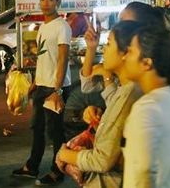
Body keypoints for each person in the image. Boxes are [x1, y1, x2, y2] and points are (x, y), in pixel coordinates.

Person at [56, 21, 144, 188]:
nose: (103, 50)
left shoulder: (130, 93)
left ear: (127, 52)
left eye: (108, 44)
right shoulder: (127, 89)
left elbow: (102, 160)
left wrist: (64, 155)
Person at [122, 25, 170, 188]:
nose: (124, 57)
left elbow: (143, 174)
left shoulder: (147, 109)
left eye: (130, 51)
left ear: (146, 63)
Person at [13, 0, 72, 186]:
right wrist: (35, 82)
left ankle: (58, 171)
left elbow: (63, 59)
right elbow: (43, 58)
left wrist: (57, 90)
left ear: (58, 2)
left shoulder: (62, 26)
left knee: (56, 132)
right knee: (37, 128)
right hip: (41, 86)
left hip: (55, 87)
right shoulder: (43, 27)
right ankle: (32, 166)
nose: (46, 3)